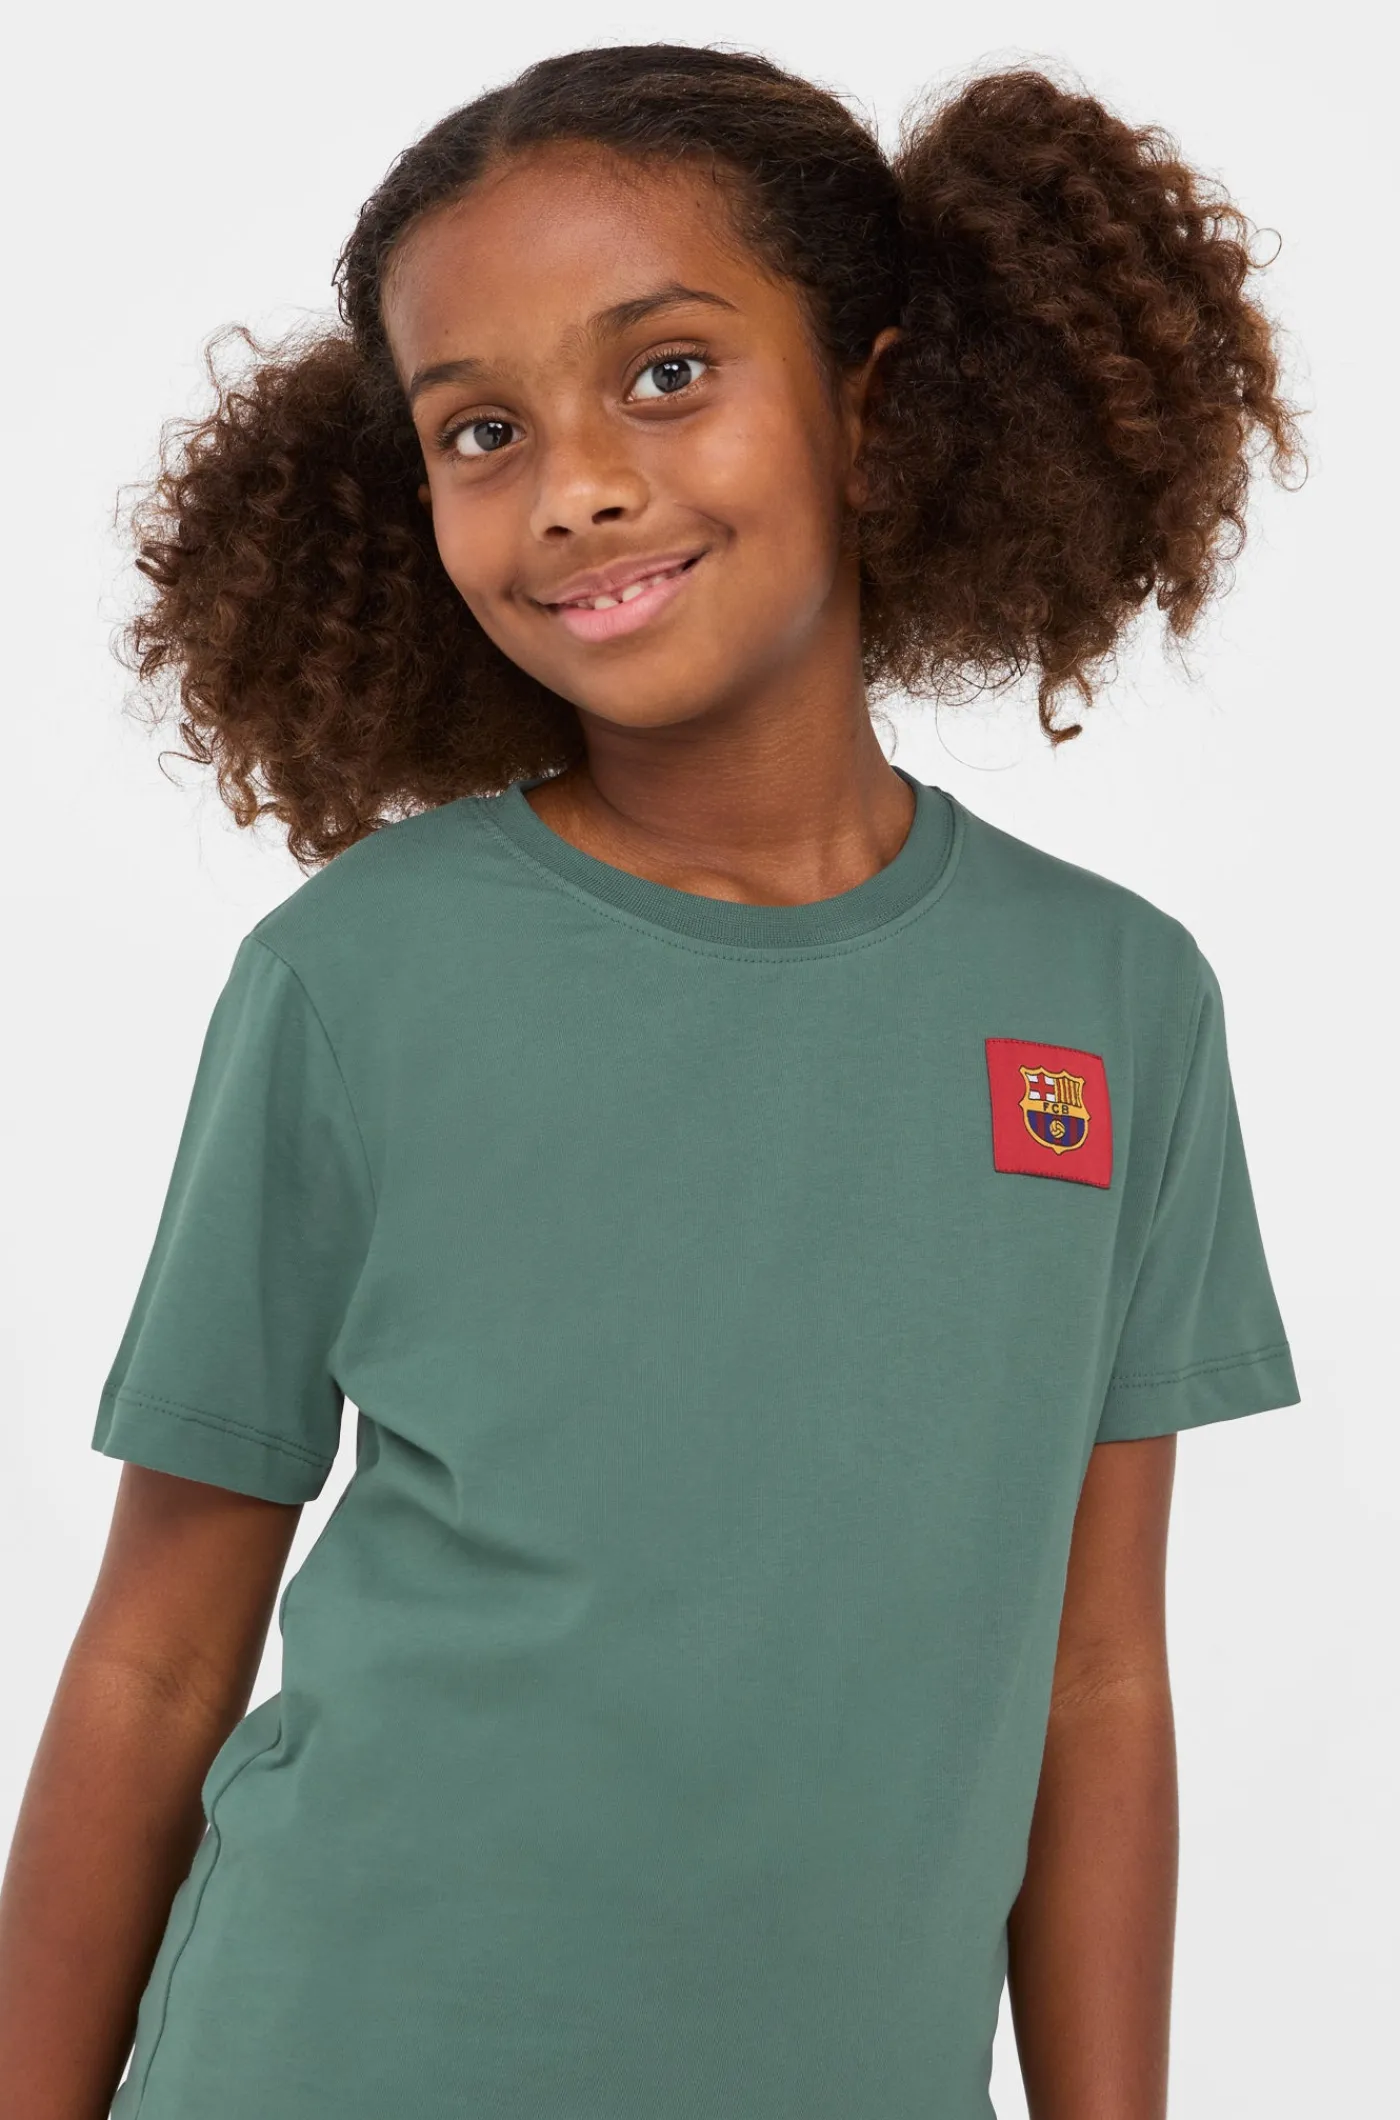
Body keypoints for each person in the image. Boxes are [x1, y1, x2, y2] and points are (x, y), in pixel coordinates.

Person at [0, 41, 1306, 2120]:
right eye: (481, 429)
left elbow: (1094, 1677)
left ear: (874, 406)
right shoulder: (355, 976)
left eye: (668, 373)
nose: (575, 487)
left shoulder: (1114, 1001)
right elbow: (158, 1653)